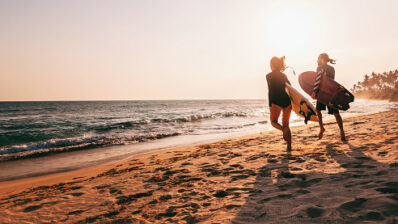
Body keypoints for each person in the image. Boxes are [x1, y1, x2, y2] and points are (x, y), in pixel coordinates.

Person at [311, 53, 346, 141]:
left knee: (318, 111)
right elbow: (331, 81)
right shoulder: (332, 68)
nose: (317, 61)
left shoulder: (319, 68)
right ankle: (342, 132)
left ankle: (322, 128)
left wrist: (314, 92)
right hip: (331, 93)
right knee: (336, 113)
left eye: (318, 59)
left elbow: (318, 80)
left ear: (322, 59)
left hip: (322, 93)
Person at [266, 56, 292, 151]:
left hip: (275, 101)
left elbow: (271, 91)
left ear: (272, 65)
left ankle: (283, 130)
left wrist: (270, 105)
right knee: (286, 125)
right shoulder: (283, 76)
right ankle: (289, 145)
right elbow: (290, 87)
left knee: (273, 122)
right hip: (286, 100)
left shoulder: (268, 76)